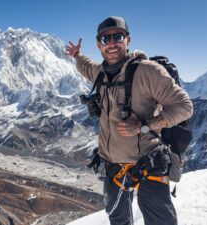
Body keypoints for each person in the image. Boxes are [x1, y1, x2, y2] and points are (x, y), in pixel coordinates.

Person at [65, 16, 193, 225]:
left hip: (148, 163)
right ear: (99, 45)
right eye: (106, 40)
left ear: (128, 40)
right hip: (113, 164)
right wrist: (77, 55)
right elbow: (87, 67)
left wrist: (145, 126)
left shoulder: (148, 71)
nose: (112, 43)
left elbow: (184, 107)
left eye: (118, 37)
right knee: (118, 220)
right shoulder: (101, 73)